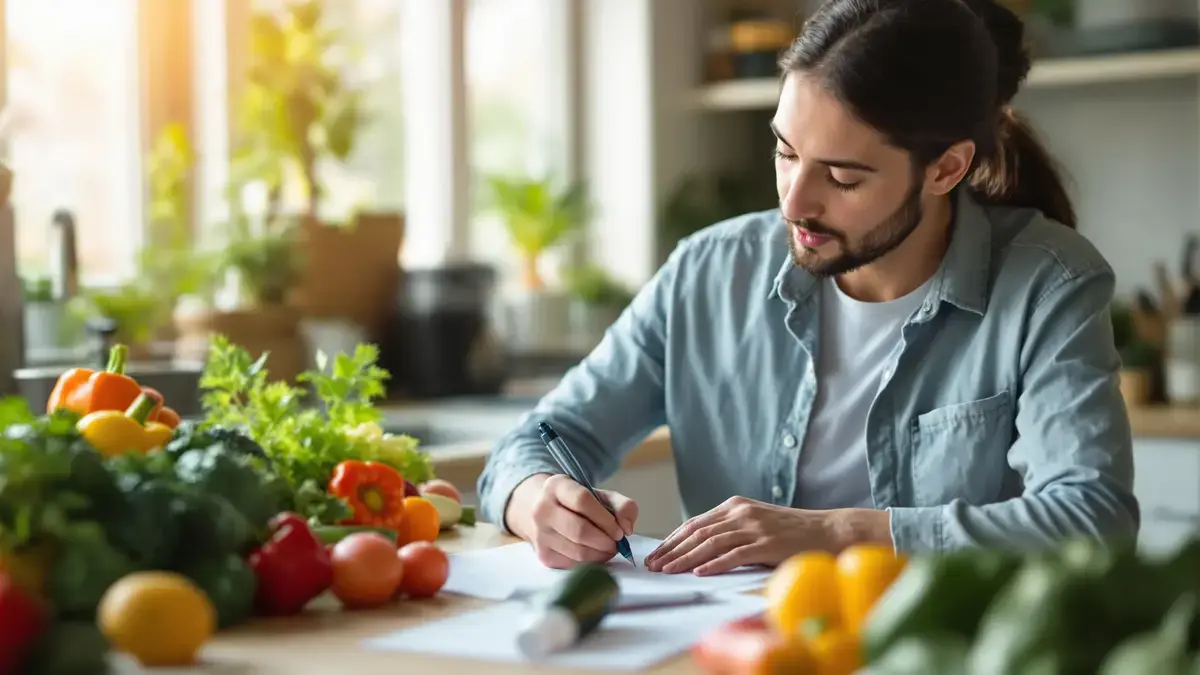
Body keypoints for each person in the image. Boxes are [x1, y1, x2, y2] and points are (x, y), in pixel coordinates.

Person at [478, 0, 1139, 575]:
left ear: (946, 168)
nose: (794, 202)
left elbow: (1093, 518)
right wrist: (536, 497)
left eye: (843, 177)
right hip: (733, 649)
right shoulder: (707, 272)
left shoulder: (1047, 282)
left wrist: (836, 533)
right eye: (785, 152)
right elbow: (533, 443)